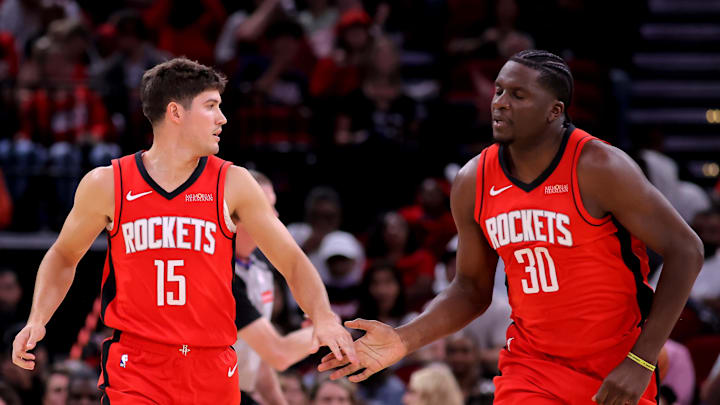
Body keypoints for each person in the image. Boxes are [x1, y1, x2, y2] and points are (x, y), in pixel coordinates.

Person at [319, 50, 704, 405]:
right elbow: (470, 289)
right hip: (530, 368)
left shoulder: (599, 167)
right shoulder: (474, 180)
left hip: (614, 365)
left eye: (518, 95)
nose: (500, 102)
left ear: (554, 111)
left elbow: (686, 250)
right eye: (499, 90)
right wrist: (404, 339)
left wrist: (642, 359)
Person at [11, 57, 356, 404]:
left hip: (211, 365)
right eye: (211, 107)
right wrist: (38, 319)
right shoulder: (108, 183)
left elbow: (292, 261)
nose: (223, 118)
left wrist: (324, 316)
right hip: (136, 368)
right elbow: (64, 255)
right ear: (176, 112)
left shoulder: (232, 183)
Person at [232, 169, 316, 405]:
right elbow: (279, 353)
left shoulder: (262, 270)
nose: (276, 216)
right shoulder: (217, 270)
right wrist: (325, 328)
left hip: (238, 392)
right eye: (268, 207)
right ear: (240, 212)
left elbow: (259, 361)